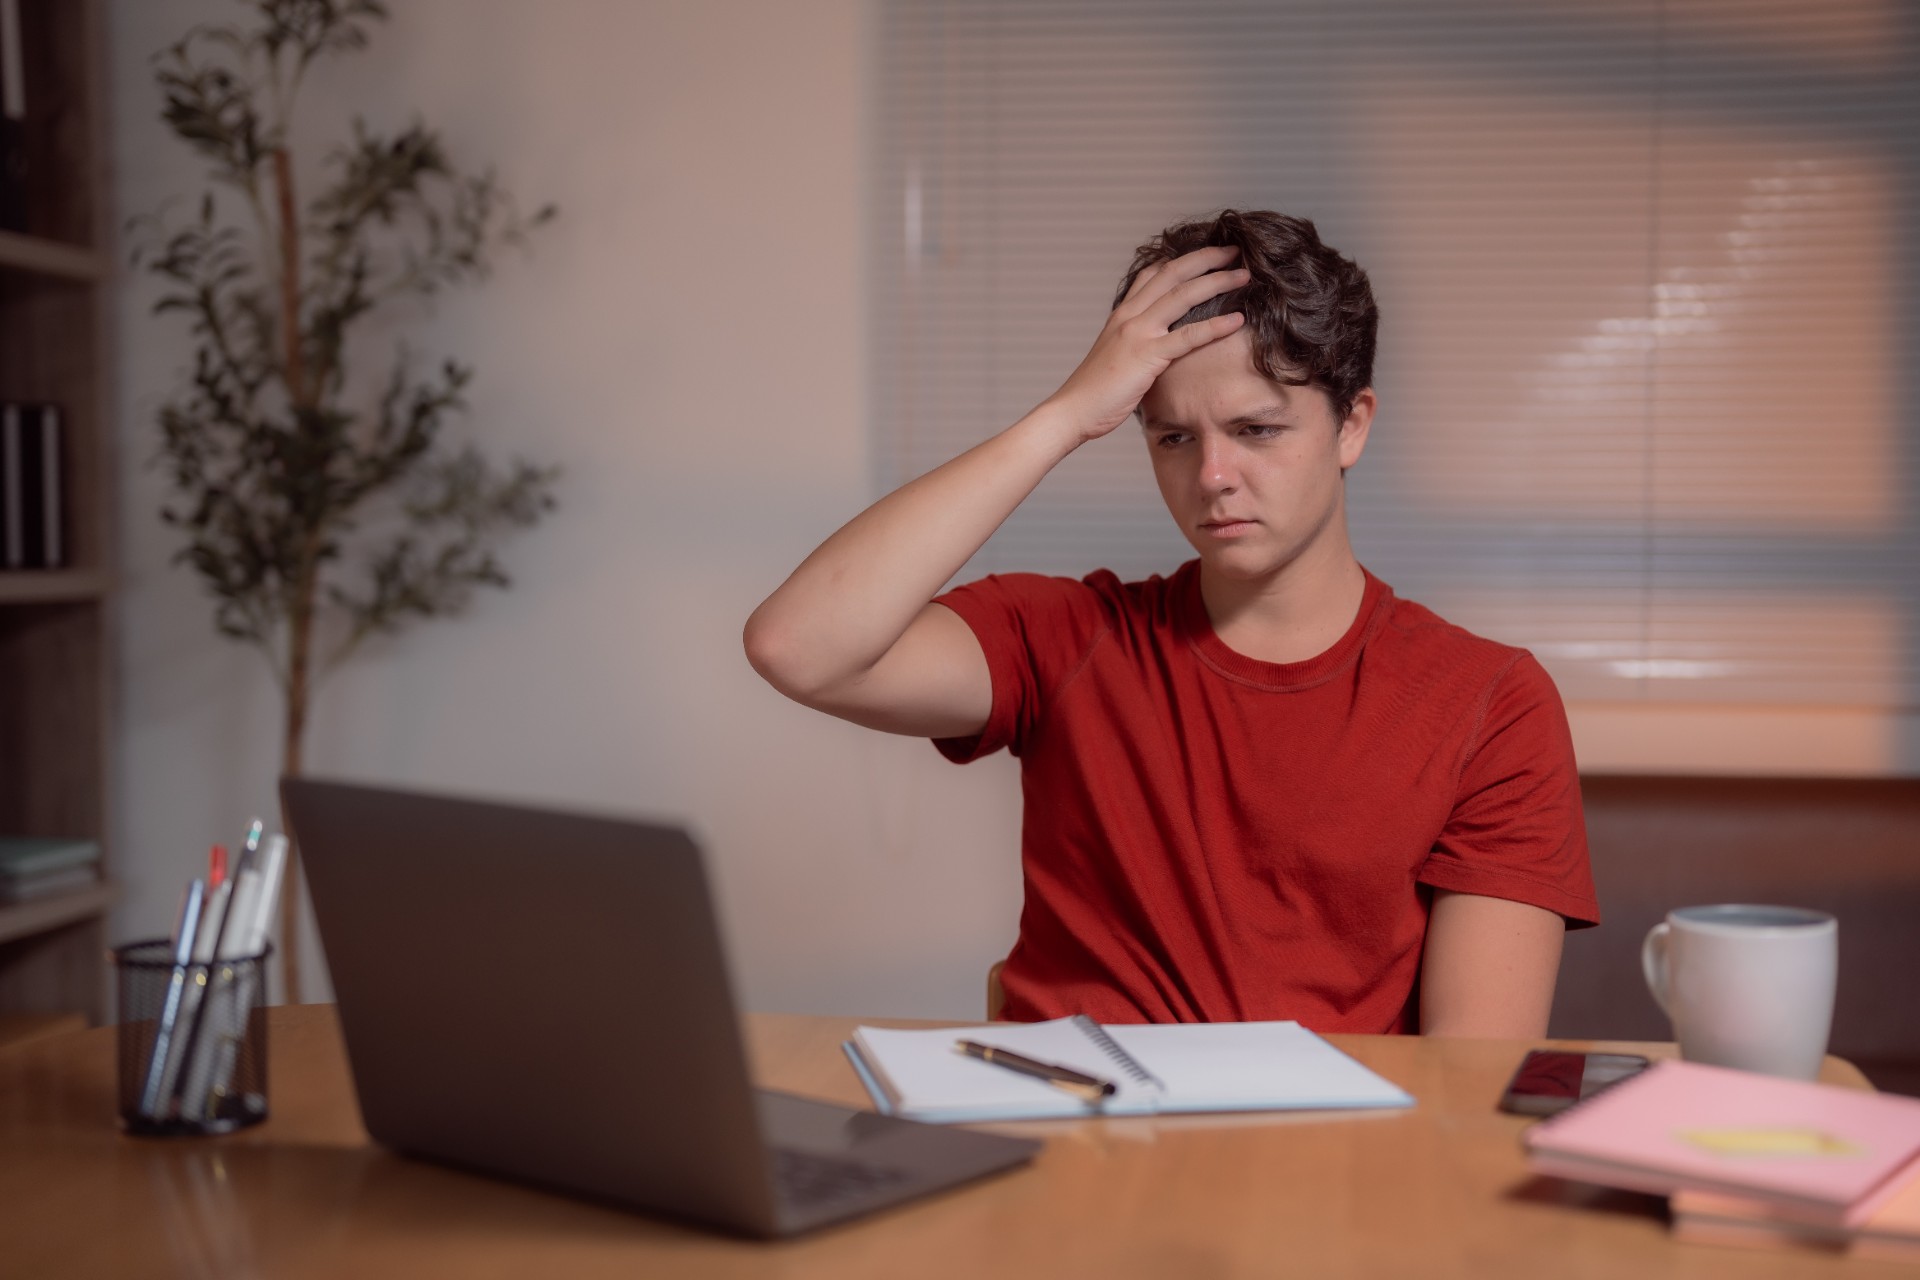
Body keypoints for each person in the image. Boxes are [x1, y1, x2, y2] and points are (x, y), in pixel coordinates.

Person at [744, 209, 1598, 1036]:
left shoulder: (1491, 702)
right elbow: (798, 647)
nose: (1214, 475)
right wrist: (1065, 417)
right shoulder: (1070, 635)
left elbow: (1472, 1079)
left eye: (1256, 429)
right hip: (1068, 1149)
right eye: (1173, 439)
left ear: (1353, 426)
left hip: (1321, 1165)